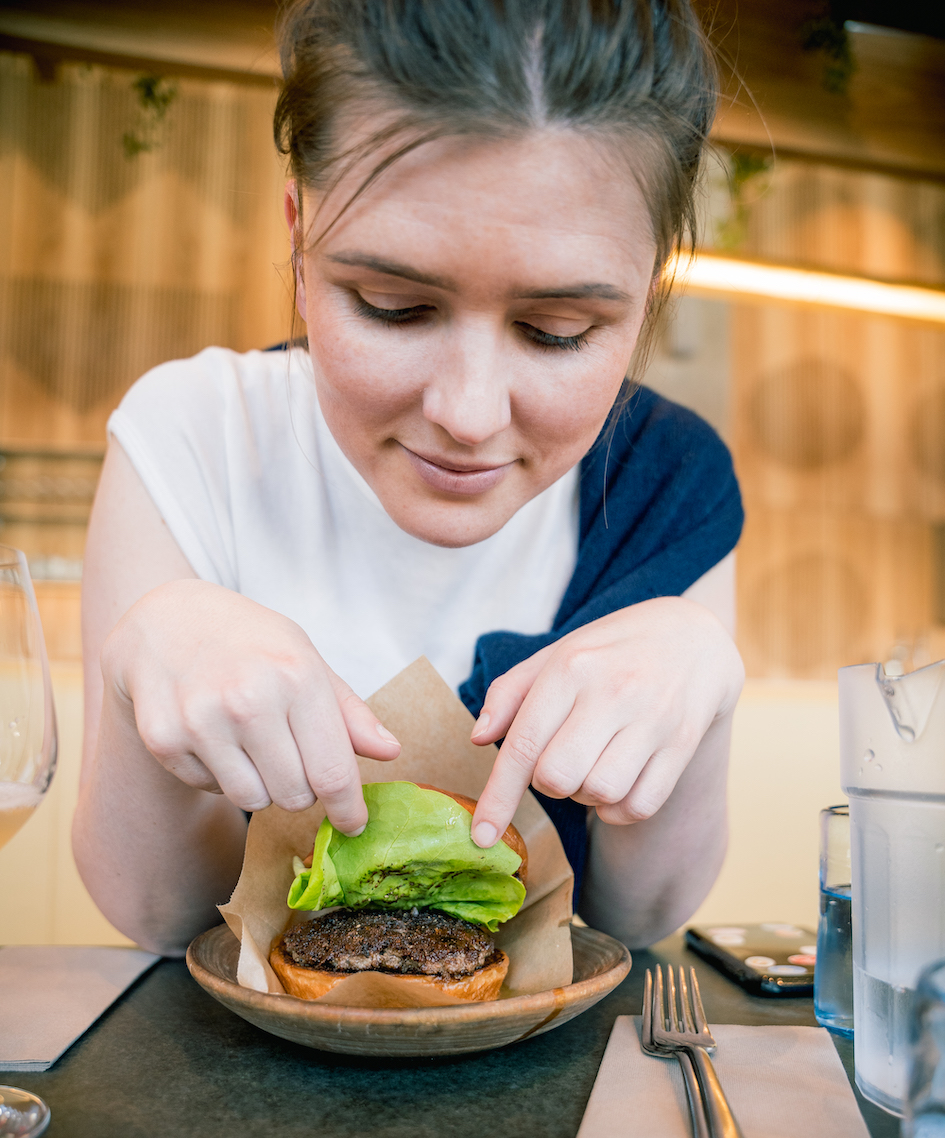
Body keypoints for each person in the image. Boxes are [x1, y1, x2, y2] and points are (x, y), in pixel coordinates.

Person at [74, 0, 745, 957]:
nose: (468, 414)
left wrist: (704, 687)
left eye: (558, 332)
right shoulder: (193, 433)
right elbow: (154, 913)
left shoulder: (664, 481)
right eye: (392, 307)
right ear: (299, 232)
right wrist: (142, 670)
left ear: (649, 289)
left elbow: (639, 919)